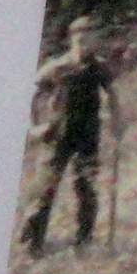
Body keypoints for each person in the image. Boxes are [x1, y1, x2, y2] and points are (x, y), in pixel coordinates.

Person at [19, 17, 122, 257]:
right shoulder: (57, 67)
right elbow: (32, 96)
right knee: (45, 190)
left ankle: (83, 242)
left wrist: (117, 122)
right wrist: (34, 127)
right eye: (81, 37)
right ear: (72, 38)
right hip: (57, 136)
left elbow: (112, 95)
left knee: (87, 188)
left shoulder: (99, 68)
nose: (86, 42)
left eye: (91, 37)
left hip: (88, 136)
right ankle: (31, 245)